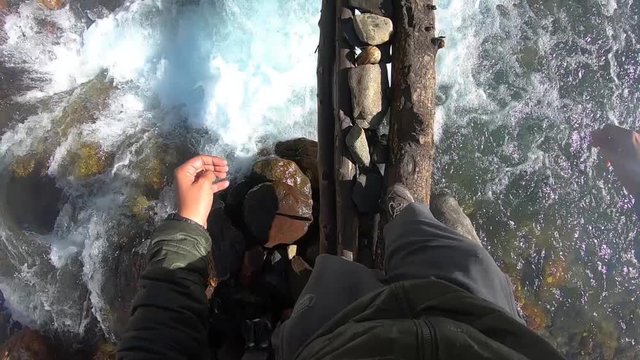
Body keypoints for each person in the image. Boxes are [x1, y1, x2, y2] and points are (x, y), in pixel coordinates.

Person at [118, 125, 640, 359]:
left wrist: (189, 224)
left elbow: (157, 343)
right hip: (478, 323)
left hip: (333, 338)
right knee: (443, 245)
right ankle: (401, 215)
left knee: (341, 277)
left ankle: (397, 219)